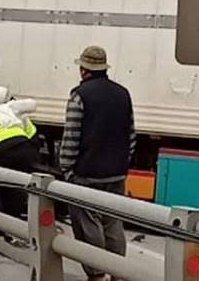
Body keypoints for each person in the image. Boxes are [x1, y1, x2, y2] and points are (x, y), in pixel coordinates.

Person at [60, 46, 135, 281]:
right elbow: (131, 135)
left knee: (88, 224)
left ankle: (96, 273)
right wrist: (123, 163)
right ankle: (118, 274)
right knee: (113, 223)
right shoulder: (123, 94)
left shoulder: (79, 95)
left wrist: (67, 168)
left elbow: (71, 135)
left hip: (87, 173)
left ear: (84, 70)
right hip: (116, 174)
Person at [0, 96, 40, 220]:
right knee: (19, 184)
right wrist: (16, 105)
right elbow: (32, 104)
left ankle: (4, 221)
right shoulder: (8, 108)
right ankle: (17, 218)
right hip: (27, 147)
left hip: (5, 152)